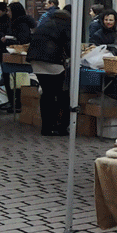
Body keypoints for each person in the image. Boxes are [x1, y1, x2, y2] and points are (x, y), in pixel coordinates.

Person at [26, 7, 72, 136]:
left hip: (36, 60)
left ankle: (46, 127)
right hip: (53, 62)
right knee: (61, 94)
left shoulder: (45, 24)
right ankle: (61, 126)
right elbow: (69, 46)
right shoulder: (65, 25)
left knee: (47, 94)